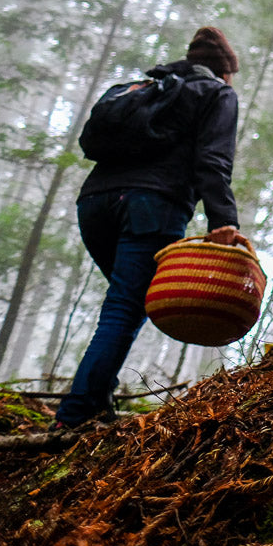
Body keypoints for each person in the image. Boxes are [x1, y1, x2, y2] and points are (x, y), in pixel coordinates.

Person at [52, 27, 245, 429]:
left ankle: (96, 396)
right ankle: (75, 416)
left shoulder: (146, 89)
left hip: (94, 204)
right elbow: (213, 161)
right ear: (224, 71)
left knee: (126, 302)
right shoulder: (217, 94)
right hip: (152, 207)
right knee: (126, 307)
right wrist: (224, 221)